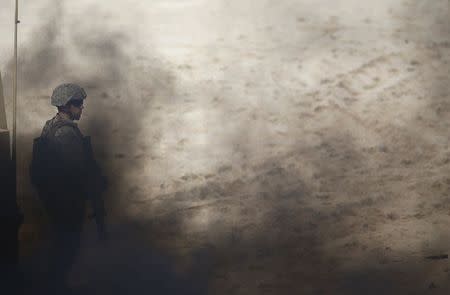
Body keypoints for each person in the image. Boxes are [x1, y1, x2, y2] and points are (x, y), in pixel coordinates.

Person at [31, 83, 107, 292]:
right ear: (67, 106)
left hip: (56, 200)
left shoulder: (51, 125)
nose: (82, 108)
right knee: (66, 248)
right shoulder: (66, 134)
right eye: (79, 104)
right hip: (66, 202)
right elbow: (76, 172)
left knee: (62, 246)